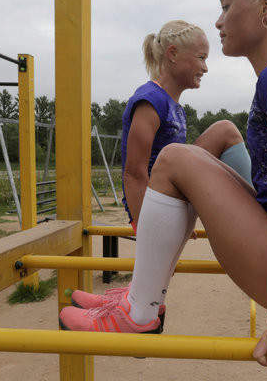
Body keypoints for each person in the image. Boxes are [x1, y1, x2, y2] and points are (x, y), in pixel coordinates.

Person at [59, 0, 267, 370]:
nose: (219, 20)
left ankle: (139, 312)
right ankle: (140, 298)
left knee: (175, 158)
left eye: (227, 6)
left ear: (266, 8)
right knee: (215, 136)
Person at [71, 20, 253, 310]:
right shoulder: (151, 100)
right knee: (226, 130)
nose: (206, 68)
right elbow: (134, 173)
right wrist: (148, 231)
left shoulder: (172, 105)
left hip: (170, 197)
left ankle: (129, 299)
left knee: (225, 131)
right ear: (172, 54)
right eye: (201, 58)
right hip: (156, 204)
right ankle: (258, 213)